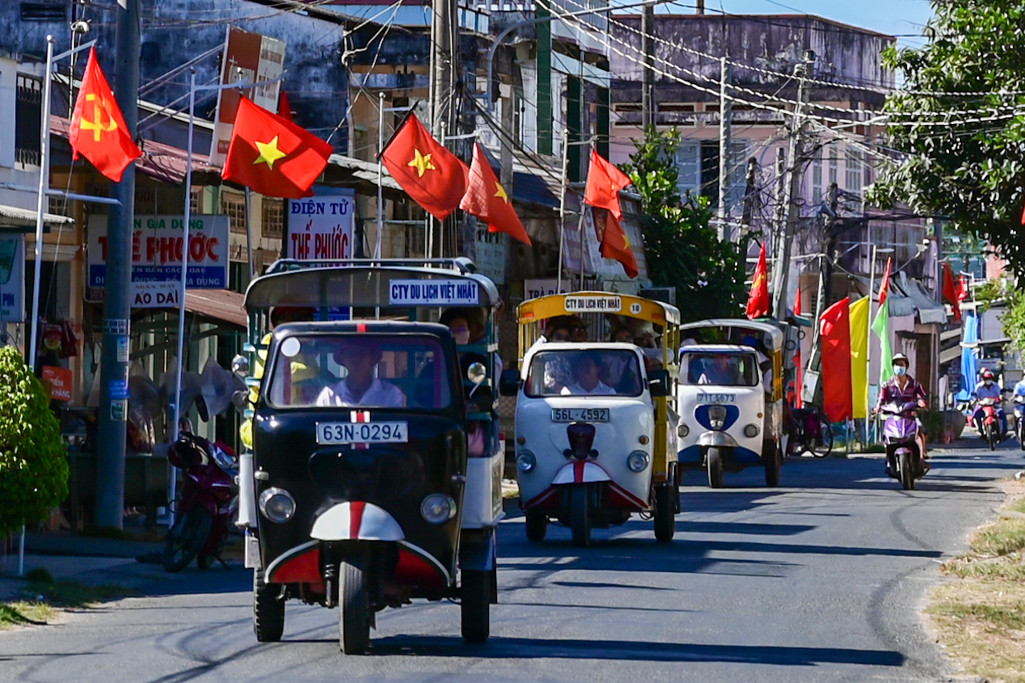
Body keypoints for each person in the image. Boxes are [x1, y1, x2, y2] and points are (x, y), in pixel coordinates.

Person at [875, 353, 929, 476]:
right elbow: (882, 399)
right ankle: (889, 460)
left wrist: (921, 402)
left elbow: (922, 396)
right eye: (897, 364)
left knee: (920, 430)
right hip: (894, 417)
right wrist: (878, 407)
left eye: (902, 364)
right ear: (893, 367)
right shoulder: (887, 385)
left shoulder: (914, 384)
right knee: (886, 436)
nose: (899, 367)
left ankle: (922, 454)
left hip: (910, 415)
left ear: (906, 366)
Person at [317, 341, 406, 407]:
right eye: (351, 354)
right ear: (343, 359)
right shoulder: (329, 395)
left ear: (372, 358)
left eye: (361, 354)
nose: (356, 359)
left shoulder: (391, 394)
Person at [972, 368, 1007, 437]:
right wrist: (975, 400)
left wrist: (1001, 398)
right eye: (986, 378)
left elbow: (999, 394)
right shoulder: (978, 387)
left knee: (1002, 415)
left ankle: (1003, 432)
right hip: (983, 406)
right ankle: (980, 430)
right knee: (976, 415)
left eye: (990, 378)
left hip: (995, 406)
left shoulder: (996, 386)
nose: (988, 380)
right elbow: (976, 396)